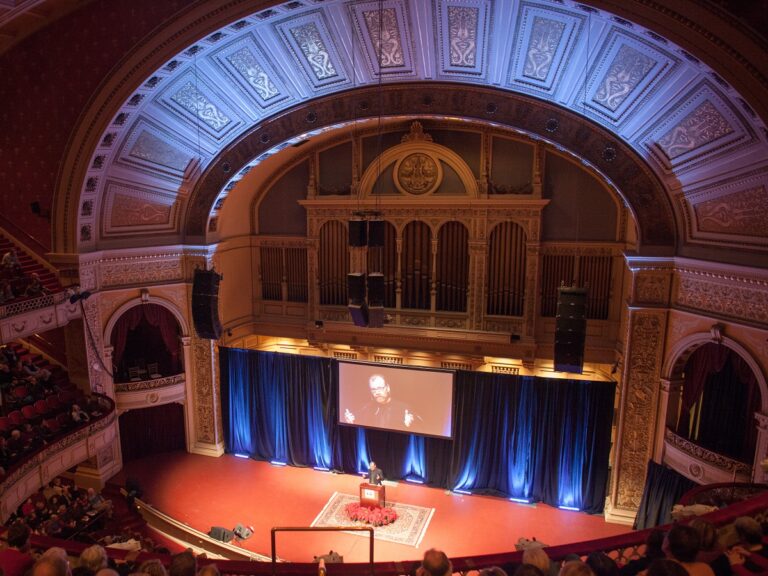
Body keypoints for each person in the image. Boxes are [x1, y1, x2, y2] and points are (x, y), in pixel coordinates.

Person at [344, 374, 423, 430]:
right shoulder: (367, 408)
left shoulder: (404, 408)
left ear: (387, 388)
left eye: (380, 388)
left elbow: (421, 427)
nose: (377, 392)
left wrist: (410, 426)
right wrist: (351, 423)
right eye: (373, 389)